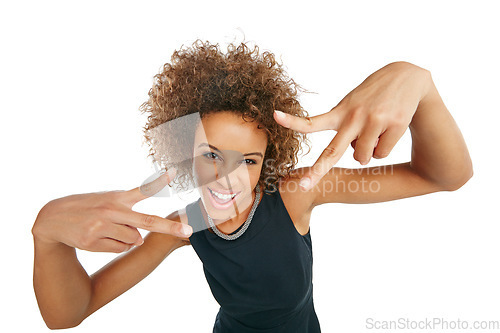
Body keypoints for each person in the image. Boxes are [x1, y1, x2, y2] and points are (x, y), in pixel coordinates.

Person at [31, 40, 473, 332]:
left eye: (248, 160)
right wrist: (47, 235)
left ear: (268, 161)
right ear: (187, 151)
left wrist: (420, 83)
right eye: (211, 155)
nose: (227, 177)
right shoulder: (186, 225)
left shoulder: (296, 193)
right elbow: (69, 312)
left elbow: (443, 177)